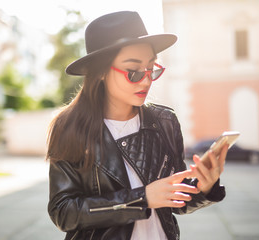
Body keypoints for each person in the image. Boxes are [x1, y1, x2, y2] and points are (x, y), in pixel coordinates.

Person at [47, 11, 228, 240]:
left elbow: (174, 203)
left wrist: (204, 186)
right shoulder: (69, 128)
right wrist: (140, 199)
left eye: (151, 68)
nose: (146, 80)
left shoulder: (164, 122)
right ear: (101, 71)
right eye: (133, 71)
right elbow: (63, 212)